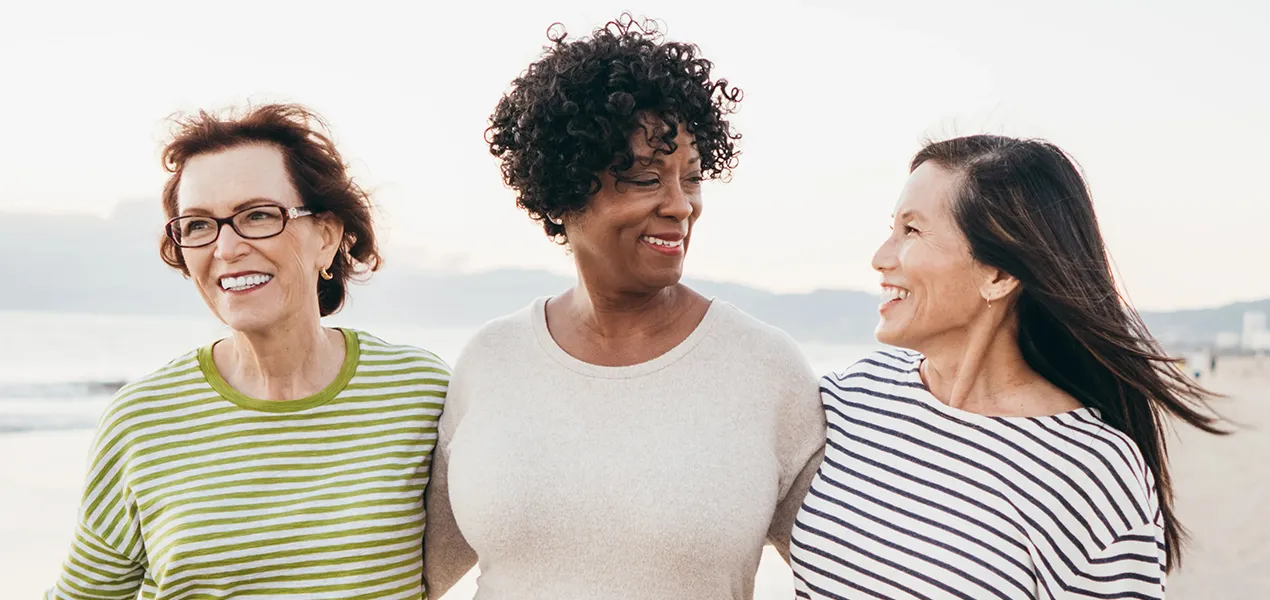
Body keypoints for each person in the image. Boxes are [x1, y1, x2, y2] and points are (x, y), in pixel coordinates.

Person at [422, 14, 825, 600]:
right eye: (643, 179)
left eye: (691, 178)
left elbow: (847, 571)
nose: (680, 206)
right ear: (560, 191)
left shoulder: (765, 368)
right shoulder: (490, 361)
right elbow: (418, 575)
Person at [790, 135, 1226, 599]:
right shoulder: (852, 397)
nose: (880, 257)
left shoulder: (1088, 468)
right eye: (892, 228)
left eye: (912, 231)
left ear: (998, 275)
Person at [46, 104, 450, 599]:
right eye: (197, 225)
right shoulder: (141, 422)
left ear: (327, 237)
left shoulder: (420, 392)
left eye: (258, 216)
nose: (226, 247)